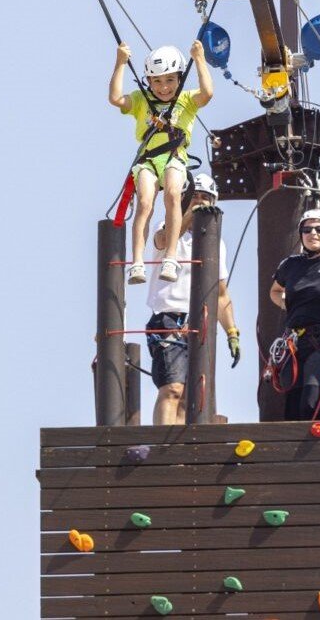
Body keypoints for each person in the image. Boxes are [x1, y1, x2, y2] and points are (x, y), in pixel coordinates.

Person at [109, 40, 213, 285]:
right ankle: (137, 262)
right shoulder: (141, 100)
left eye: (169, 80)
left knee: (173, 195)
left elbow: (207, 93)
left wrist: (199, 58)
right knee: (145, 202)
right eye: (156, 81)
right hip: (148, 160)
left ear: (179, 79)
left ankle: (171, 256)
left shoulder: (186, 100)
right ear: (148, 82)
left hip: (174, 157)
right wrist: (120, 62)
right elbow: (115, 98)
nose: (163, 87)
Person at [144, 174, 240, 425]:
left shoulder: (215, 244)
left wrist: (231, 331)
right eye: (194, 196)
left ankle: (179, 454)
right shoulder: (165, 228)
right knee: (172, 388)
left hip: (200, 323)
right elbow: (165, 240)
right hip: (169, 318)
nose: (199, 201)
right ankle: (161, 448)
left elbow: (219, 292)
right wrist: (190, 215)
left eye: (205, 198)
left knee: (191, 396)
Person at [268, 209, 320, 421]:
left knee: (312, 402)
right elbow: (275, 290)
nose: (313, 233)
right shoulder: (290, 264)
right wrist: (289, 305)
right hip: (295, 341)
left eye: (319, 229)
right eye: (307, 229)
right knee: (292, 407)